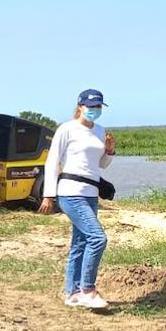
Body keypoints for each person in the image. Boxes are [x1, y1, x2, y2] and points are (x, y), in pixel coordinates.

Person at [38, 89, 116, 310]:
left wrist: (109, 151)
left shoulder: (100, 131)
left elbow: (100, 166)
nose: (94, 110)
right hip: (70, 192)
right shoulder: (67, 129)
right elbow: (52, 161)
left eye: (98, 107)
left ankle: (72, 293)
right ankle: (88, 291)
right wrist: (48, 195)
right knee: (98, 238)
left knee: (80, 243)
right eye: (91, 106)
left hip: (91, 193)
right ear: (80, 106)